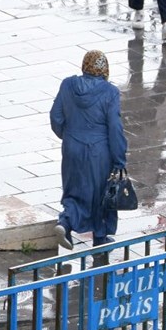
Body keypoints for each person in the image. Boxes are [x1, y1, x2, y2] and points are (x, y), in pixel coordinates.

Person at [50, 51, 129, 249]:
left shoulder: (68, 84)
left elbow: (56, 116)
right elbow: (115, 127)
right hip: (98, 152)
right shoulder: (110, 92)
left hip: (72, 148)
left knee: (74, 190)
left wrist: (68, 137)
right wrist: (119, 158)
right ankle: (100, 237)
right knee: (101, 194)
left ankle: (65, 223)